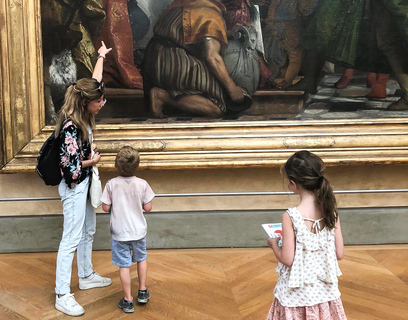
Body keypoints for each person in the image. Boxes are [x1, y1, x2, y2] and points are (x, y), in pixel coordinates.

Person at [53, 42, 113, 317]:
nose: (102, 103)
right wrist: (93, 161)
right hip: (75, 187)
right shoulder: (70, 127)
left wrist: (101, 56)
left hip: (86, 184)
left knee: (88, 231)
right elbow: (71, 170)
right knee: (71, 239)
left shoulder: (84, 110)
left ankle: (86, 275)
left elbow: (95, 82)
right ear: (85, 102)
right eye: (98, 101)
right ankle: (62, 294)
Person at [265, 151, 347, 320]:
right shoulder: (331, 211)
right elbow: (339, 254)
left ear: (293, 183)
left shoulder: (291, 216)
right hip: (325, 294)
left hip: (295, 295)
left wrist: (274, 244)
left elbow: (288, 259)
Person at [142, 0, 247, 118]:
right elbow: (212, 58)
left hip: (153, 60)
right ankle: (162, 96)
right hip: (174, 62)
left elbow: (193, 32)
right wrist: (232, 88)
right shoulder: (209, 13)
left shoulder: (185, 4)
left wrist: (227, 33)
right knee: (217, 106)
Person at [100, 146, 155, 313]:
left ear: (116, 165)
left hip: (119, 232)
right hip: (138, 231)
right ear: (137, 166)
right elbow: (148, 208)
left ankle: (128, 299)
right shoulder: (142, 184)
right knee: (141, 258)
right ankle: (143, 291)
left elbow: (104, 207)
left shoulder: (111, 184)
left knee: (124, 265)